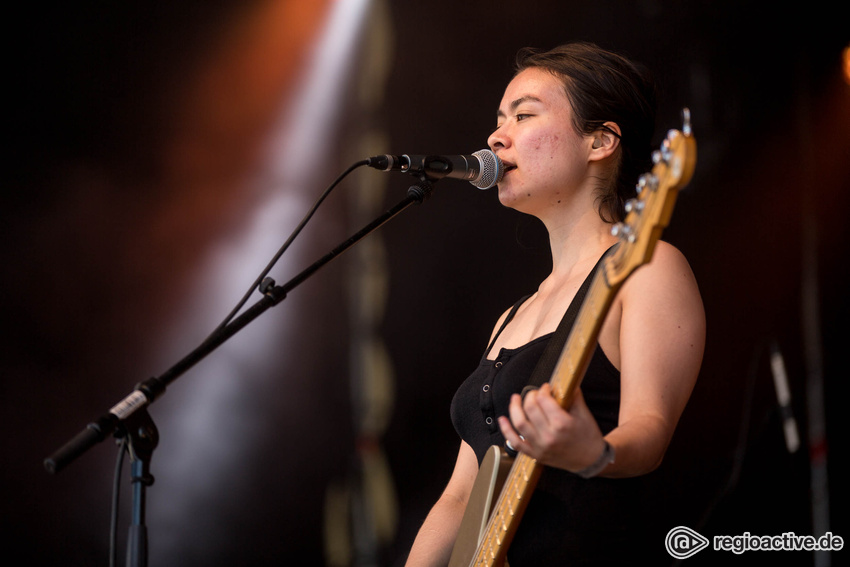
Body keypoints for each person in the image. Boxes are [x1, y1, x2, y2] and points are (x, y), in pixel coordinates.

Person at [404, 42, 706, 566]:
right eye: (499, 118)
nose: (497, 136)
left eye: (523, 115)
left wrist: (595, 453)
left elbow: (649, 431)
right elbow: (460, 498)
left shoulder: (647, 267)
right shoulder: (511, 318)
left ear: (600, 141)